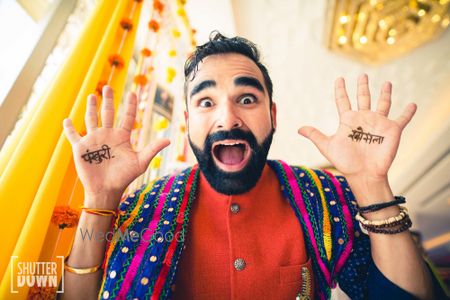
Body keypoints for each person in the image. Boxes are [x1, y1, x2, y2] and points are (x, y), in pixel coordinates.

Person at [61, 32, 447, 299]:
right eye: (206, 102)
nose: (227, 119)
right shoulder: (144, 206)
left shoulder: (325, 199)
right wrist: (101, 197)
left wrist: (370, 182)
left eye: (246, 99)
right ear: (187, 122)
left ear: (272, 115)